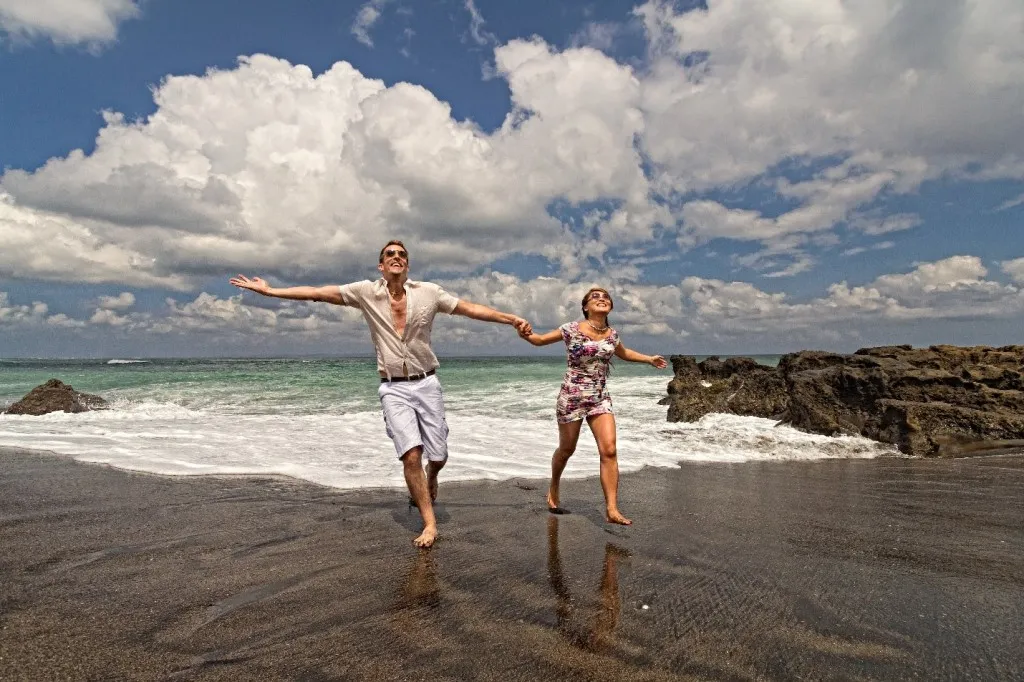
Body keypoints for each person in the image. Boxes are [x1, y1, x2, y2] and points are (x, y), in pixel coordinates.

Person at [230, 240, 532, 548]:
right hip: (393, 387)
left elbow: (469, 309)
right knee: (411, 454)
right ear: (381, 266)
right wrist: (270, 292)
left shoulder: (430, 293)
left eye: (402, 255)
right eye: (390, 254)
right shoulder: (365, 292)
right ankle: (429, 523)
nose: (396, 257)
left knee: (438, 455)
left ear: (407, 265)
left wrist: (510, 319)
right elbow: (318, 292)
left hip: (427, 384)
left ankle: (433, 475)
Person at [518, 287, 666, 525]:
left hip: (599, 397)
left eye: (605, 297)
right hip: (572, 397)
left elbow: (624, 353)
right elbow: (540, 340)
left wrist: (648, 359)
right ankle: (554, 484)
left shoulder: (612, 334)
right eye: (595, 297)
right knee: (567, 450)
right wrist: (525, 333)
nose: (601, 299)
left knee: (609, 450)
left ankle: (612, 509)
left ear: (611, 307)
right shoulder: (571, 329)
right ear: (585, 307)